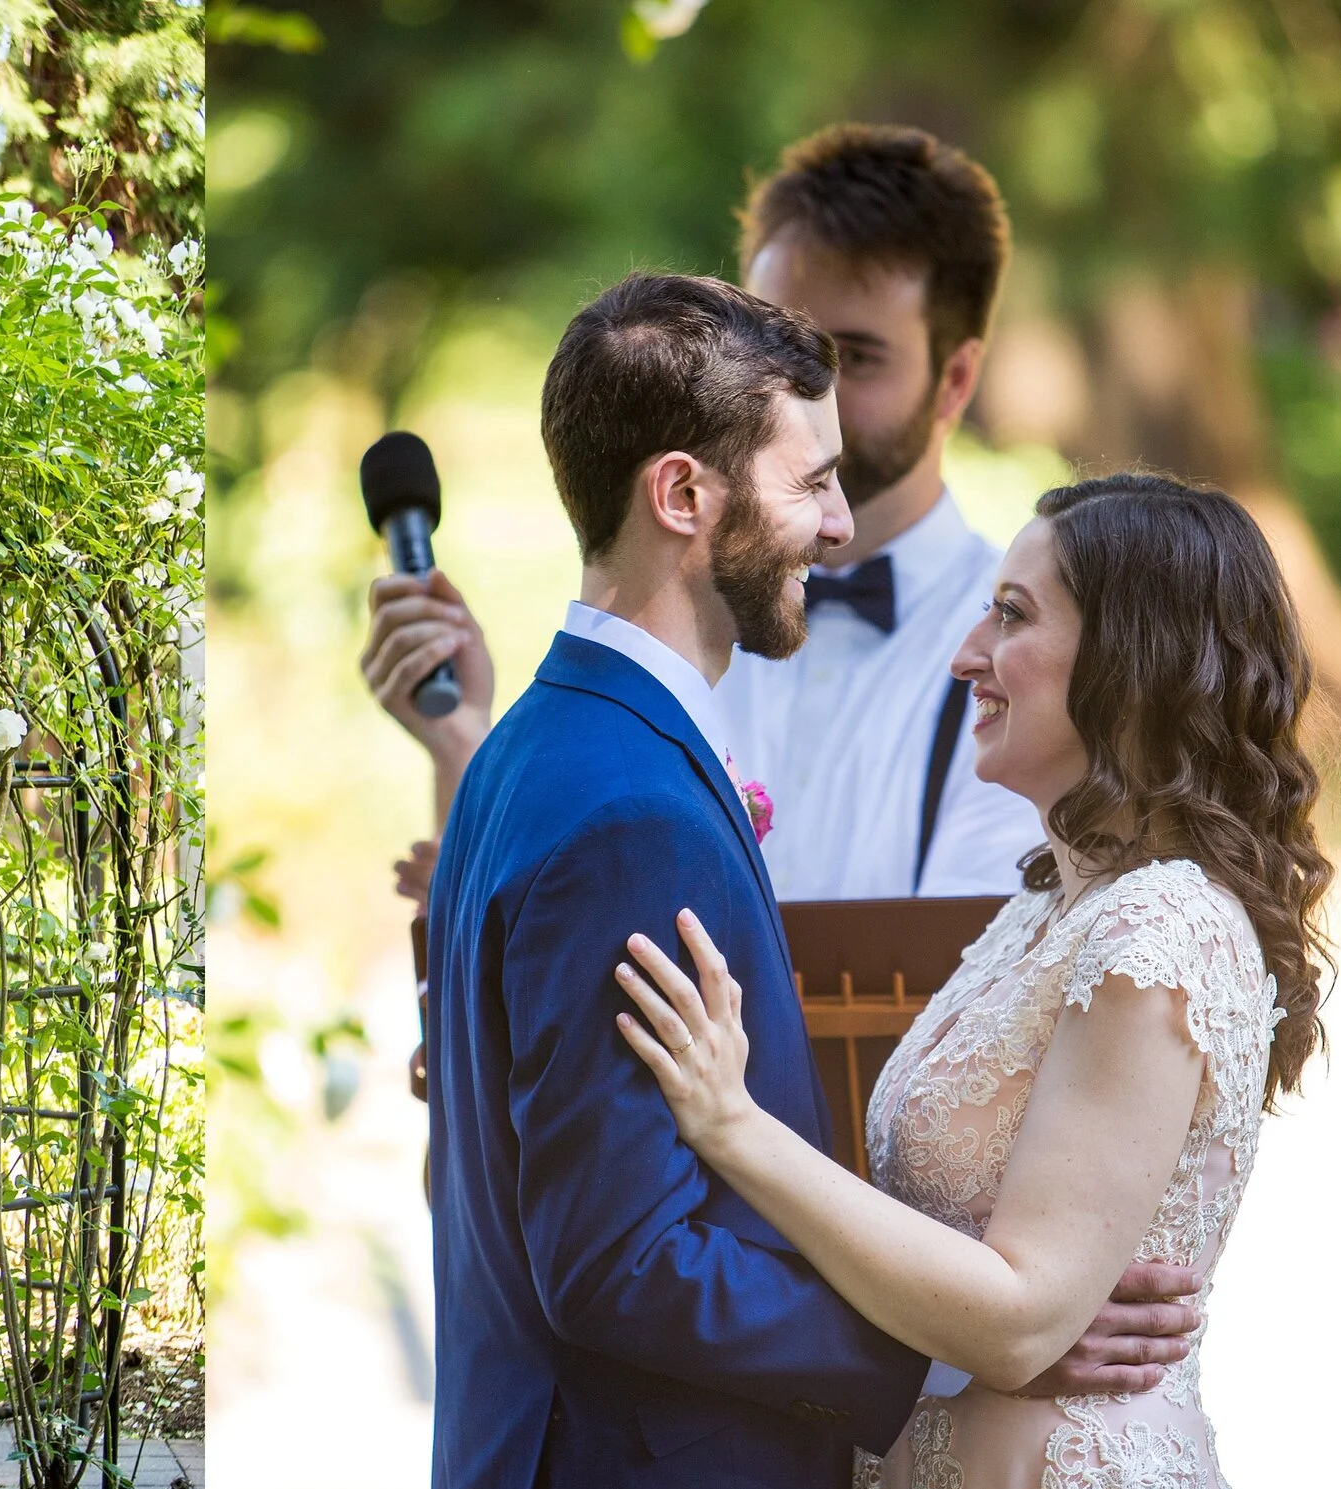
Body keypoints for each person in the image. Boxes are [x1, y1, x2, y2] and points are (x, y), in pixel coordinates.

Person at [422, 274, 1183, 1489]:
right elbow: (624, 1261)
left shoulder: (541, 753)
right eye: (815, 478)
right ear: (684, 495)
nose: (841, 525)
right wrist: (967, 1343)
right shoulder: (625, 799)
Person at [610, 474, 1327, 1489]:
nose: (965, 655)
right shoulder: (1052, 904)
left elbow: (1017, 1313)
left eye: (1012, 616)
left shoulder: (1162, 925)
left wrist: (732, 1127)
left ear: (1133, 657)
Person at [363, 124, 1044, 905]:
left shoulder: (1019, 656)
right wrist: (463, 749)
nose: (800, 394)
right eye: (779, 347)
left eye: (852, 357)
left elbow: (971, 985)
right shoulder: (674, 600)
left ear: (955, 381)